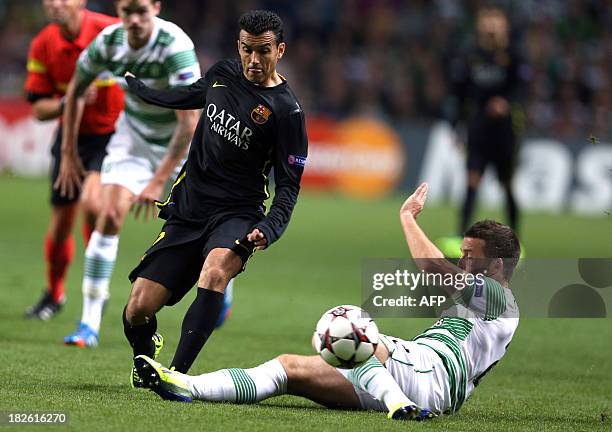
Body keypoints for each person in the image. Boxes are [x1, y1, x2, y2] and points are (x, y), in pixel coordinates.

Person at [133, 183, 520, 422]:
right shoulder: (484, 299)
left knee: (349, 324)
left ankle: (398, 402)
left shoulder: (500, 296)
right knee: (288, 370)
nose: (464, 261)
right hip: (425, 377)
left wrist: (407, 217)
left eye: (471, 255)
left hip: (429, 372)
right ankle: (184, 384)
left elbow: (432, 267)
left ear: (497, 264)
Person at [121, 9, 308, 385]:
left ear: (280, 50)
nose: (254, 60)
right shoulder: (222, 74)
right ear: (238, 46)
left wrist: (270, 227)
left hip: (237, 214)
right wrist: (145, 92)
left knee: (216, 271)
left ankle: (176, 376)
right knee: (137, 309)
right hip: (189, 208)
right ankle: (146, 356)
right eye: (246, 50)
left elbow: (289, 184)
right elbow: (191, 94)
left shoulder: (288, 112)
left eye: (263, 51)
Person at [55, 0, 201, 347]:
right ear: (118, 12)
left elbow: (190, 121)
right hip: (133, 139)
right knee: (108, 214)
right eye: (126, 12)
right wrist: (67, 151)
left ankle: (220, 289)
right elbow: (76, 87)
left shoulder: (175, 46)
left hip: (184, 144)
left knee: (203, 229)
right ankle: (89, 323)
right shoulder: (108, 42)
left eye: (141, 11)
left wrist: (157, 180)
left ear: (156, 8)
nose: (134, 20)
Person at [24, 0, 123, 320]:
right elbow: (39, 110)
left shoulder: (111, 31)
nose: (55, 4)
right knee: (61, 225)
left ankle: (97, 286)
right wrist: (70, 99)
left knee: (94, 205)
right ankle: (54, 295)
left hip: (111, 136)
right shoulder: (43, 44)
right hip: (71, 140)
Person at [445, 7, 528, 236]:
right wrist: (455, 126)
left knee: (507, 185)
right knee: (471, 181)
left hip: (505, 130)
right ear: (480, 25)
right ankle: (462, 237)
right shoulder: (469, 54)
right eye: (487, 20)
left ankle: (515, 240)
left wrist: (506, 102)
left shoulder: (514, 54)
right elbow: (458, 93)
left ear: (504, 26)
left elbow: (522, 88)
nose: (491, 25)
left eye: (496, 21)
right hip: (478, 127)